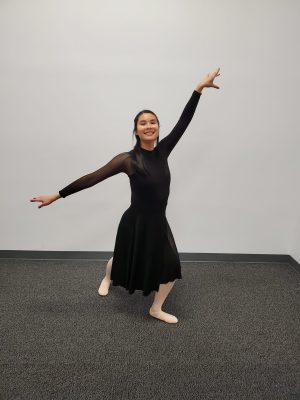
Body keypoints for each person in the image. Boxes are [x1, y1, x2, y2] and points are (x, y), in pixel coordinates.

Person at [30, 68, 221, 324]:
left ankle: (155, 308)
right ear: (136, 130)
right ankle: (108, 277)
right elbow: (92, 178)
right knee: (121, 259)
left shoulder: (164, 150)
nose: (149, 125)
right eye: (143, 123)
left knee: (171, 267)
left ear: (158, 127)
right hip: (135, 221)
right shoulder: (128, 160)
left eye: (153, 121)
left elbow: (184, 122)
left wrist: (198, 89)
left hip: (158, 222)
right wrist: (57, 195)